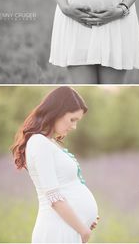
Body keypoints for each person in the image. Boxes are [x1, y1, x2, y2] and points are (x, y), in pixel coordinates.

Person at [11, 86, 99, 243]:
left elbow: (67, 186)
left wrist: (83, 219)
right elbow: (53, 197)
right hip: (57, 231)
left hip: (67, 228)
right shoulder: (39, 142)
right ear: (57, 112)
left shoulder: (49, 142)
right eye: (72, 119)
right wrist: (83, 230)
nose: (74, 126)